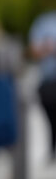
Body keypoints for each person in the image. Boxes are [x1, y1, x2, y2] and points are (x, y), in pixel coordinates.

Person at [29, 11, 56, 159]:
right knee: (50, 118)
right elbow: (34, 50)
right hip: (48, 81)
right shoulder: (43, 21)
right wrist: (47, 48)